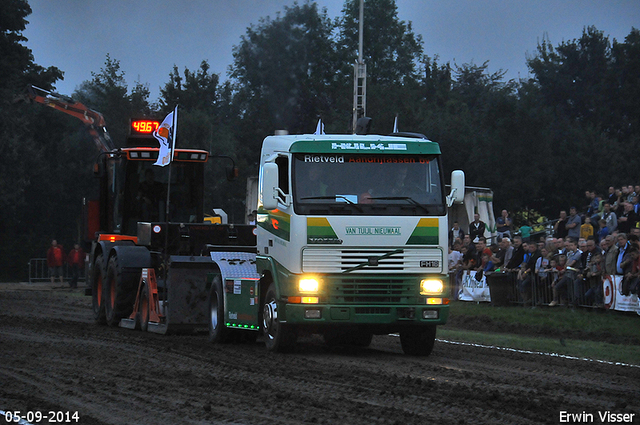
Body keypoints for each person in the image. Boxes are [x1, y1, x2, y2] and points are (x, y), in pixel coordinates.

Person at [549, 238, 582, 306]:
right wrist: (566, 266)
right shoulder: (569, 253)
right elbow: (566, 264)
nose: (570, 247)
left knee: (570, 290)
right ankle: (566, 301)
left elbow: (570, 263)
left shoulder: (578, 253)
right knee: (560, 287)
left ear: (576, 245)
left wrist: (567, 266)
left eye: (572, 245)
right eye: (570, 245)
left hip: (573, 274)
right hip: (567, 274)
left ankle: (572, 303)